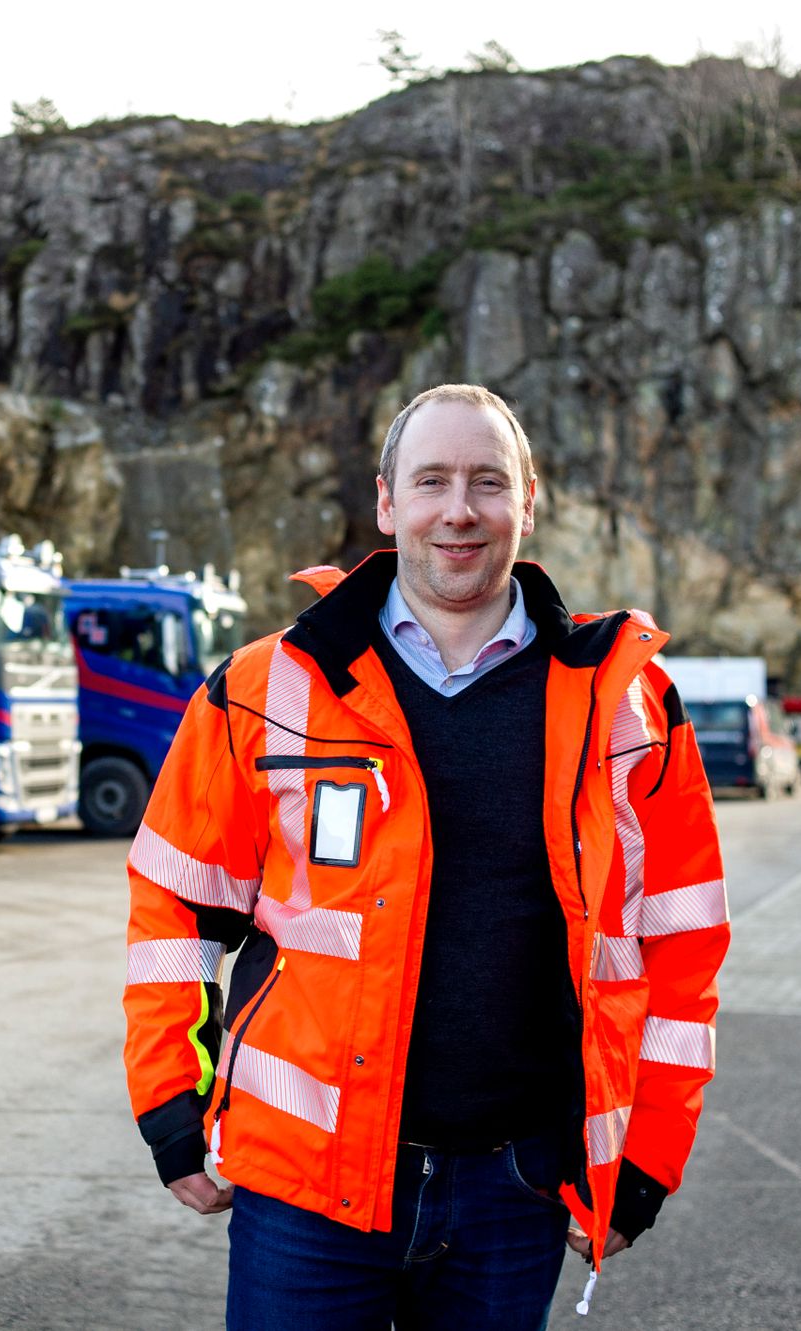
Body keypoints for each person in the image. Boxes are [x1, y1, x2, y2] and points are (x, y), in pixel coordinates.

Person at [121, 384, 729, 1329]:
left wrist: (644, 1158)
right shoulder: (265, 687)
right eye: (432, 479)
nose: (459, 509)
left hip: (516, 1193)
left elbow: (682, 948)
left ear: (528, 501)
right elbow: (175, 906)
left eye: (488, 482)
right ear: (385, 501)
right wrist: (171, 1102)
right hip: (306, 1195)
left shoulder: (631, 709)